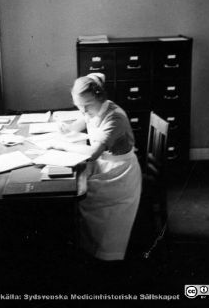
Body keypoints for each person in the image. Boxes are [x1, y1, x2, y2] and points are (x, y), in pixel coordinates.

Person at [51, 73, 142, 261]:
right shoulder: (94, 109)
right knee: (76, 189)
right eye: (78, 106)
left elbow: (93, 153)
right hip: (104, 165)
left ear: (101, 97)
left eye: (86, 106)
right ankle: (87, 245)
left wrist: (62, 145)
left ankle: (103, 253)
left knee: (79, 194)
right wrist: (64, 129)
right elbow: (77, 125)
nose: (83, 111)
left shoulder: (115, 118)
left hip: (119, 173)